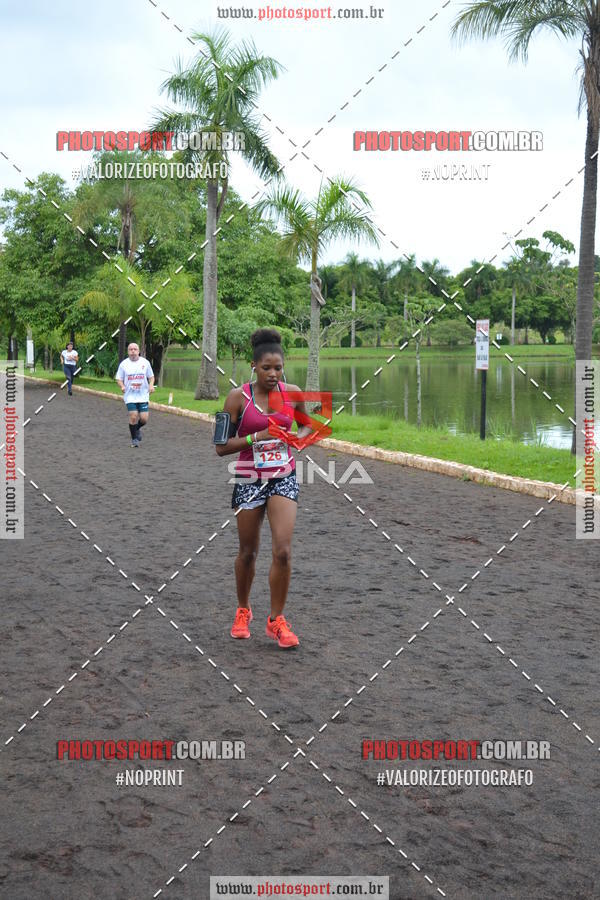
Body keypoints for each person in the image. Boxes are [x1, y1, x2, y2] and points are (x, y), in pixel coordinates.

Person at [215, 328, 312, 649]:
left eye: (278, 368)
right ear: (254, 366)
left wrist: (298, 440)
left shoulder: (293, 393)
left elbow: (308, 425)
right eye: (266, 368)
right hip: (247, 476)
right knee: (248, 552)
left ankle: (276, 620)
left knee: (282, 551)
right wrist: (256, 438)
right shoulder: (236, 398)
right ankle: (243, 610)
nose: (273, 374)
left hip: (282, 476)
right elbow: (220, 446)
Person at [115, 343, 155, 448]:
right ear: (128, 351)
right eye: (130, 349)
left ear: (138, 351)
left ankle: (136, 428)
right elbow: (118, 378)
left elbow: (151, 377)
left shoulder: (145, 363)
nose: (133, 351)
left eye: (135, 349)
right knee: (133, 416)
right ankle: (134, 439)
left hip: (143, 395)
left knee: (144, 419)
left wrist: (151, 386)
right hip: (130, 395)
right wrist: (122, 386)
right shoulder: (124, 364)